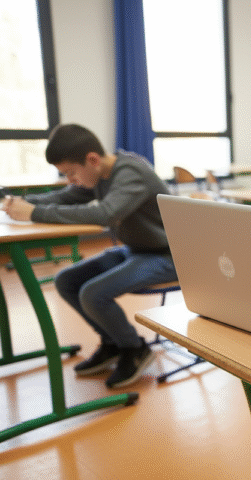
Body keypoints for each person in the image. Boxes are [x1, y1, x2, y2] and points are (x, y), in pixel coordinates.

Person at [1, 124, 176, 388]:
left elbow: (104, 214)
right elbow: (66, 196)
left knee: (93, 293)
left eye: (71, 172)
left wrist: (33, 214)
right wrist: (21, 203)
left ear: (92, 160)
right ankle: (113, 342)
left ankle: (134, 347)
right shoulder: (99, 176)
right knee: (66, 281)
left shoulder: (130, 172)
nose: (70, 179)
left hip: (168, 256)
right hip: (136, 250)